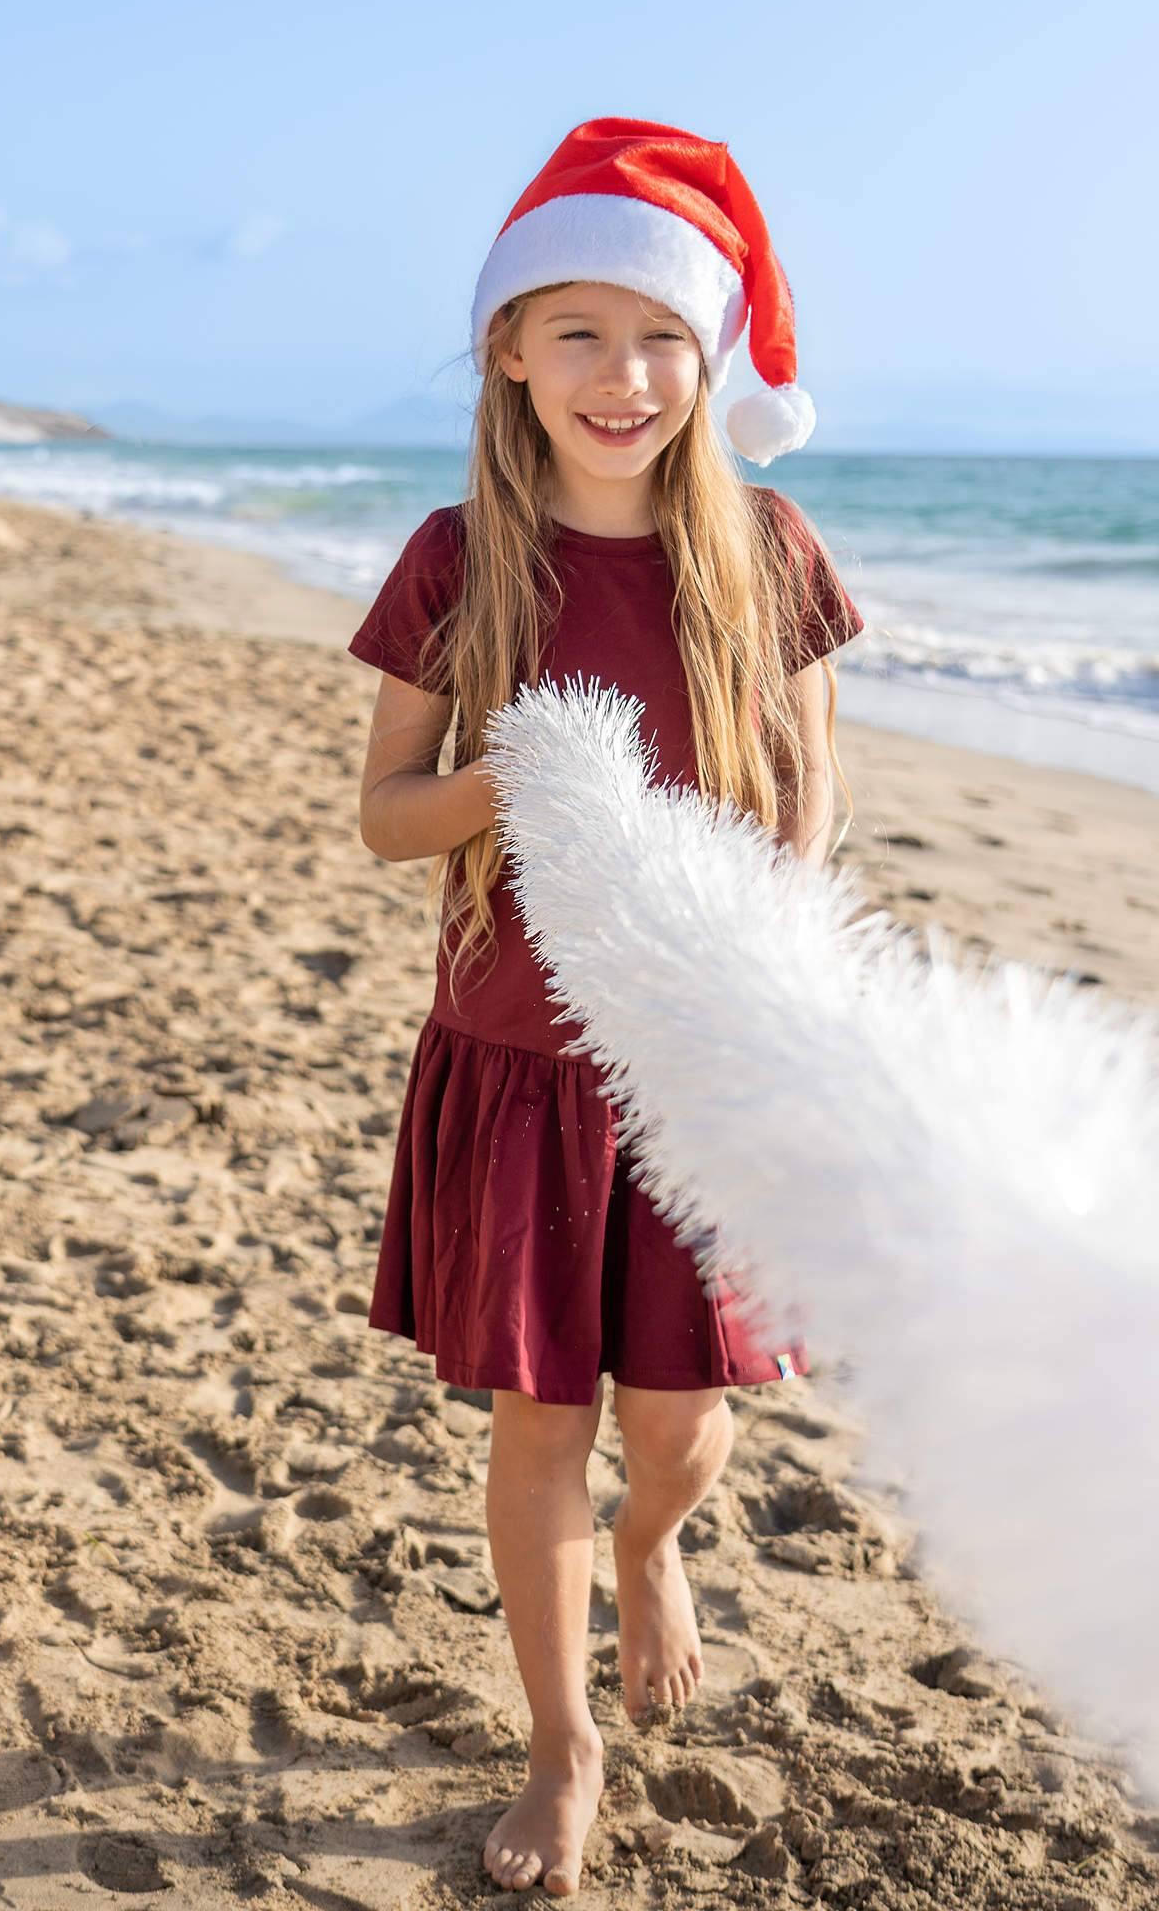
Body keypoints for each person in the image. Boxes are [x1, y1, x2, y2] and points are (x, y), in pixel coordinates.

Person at [351, 120, 862, 1895]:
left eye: (659, 338)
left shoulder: (762, 546)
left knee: (678, 1427)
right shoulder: (456, 556)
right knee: (542, 1415)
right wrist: (526, 775)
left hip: (698, 1058)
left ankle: (654, 1549)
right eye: (578, 332)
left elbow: (809, 802)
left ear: (708, 356)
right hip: (517, 1061)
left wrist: (775, 960)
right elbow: (385, 812)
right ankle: (560, 1747)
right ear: (508, 353)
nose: (624, 375)